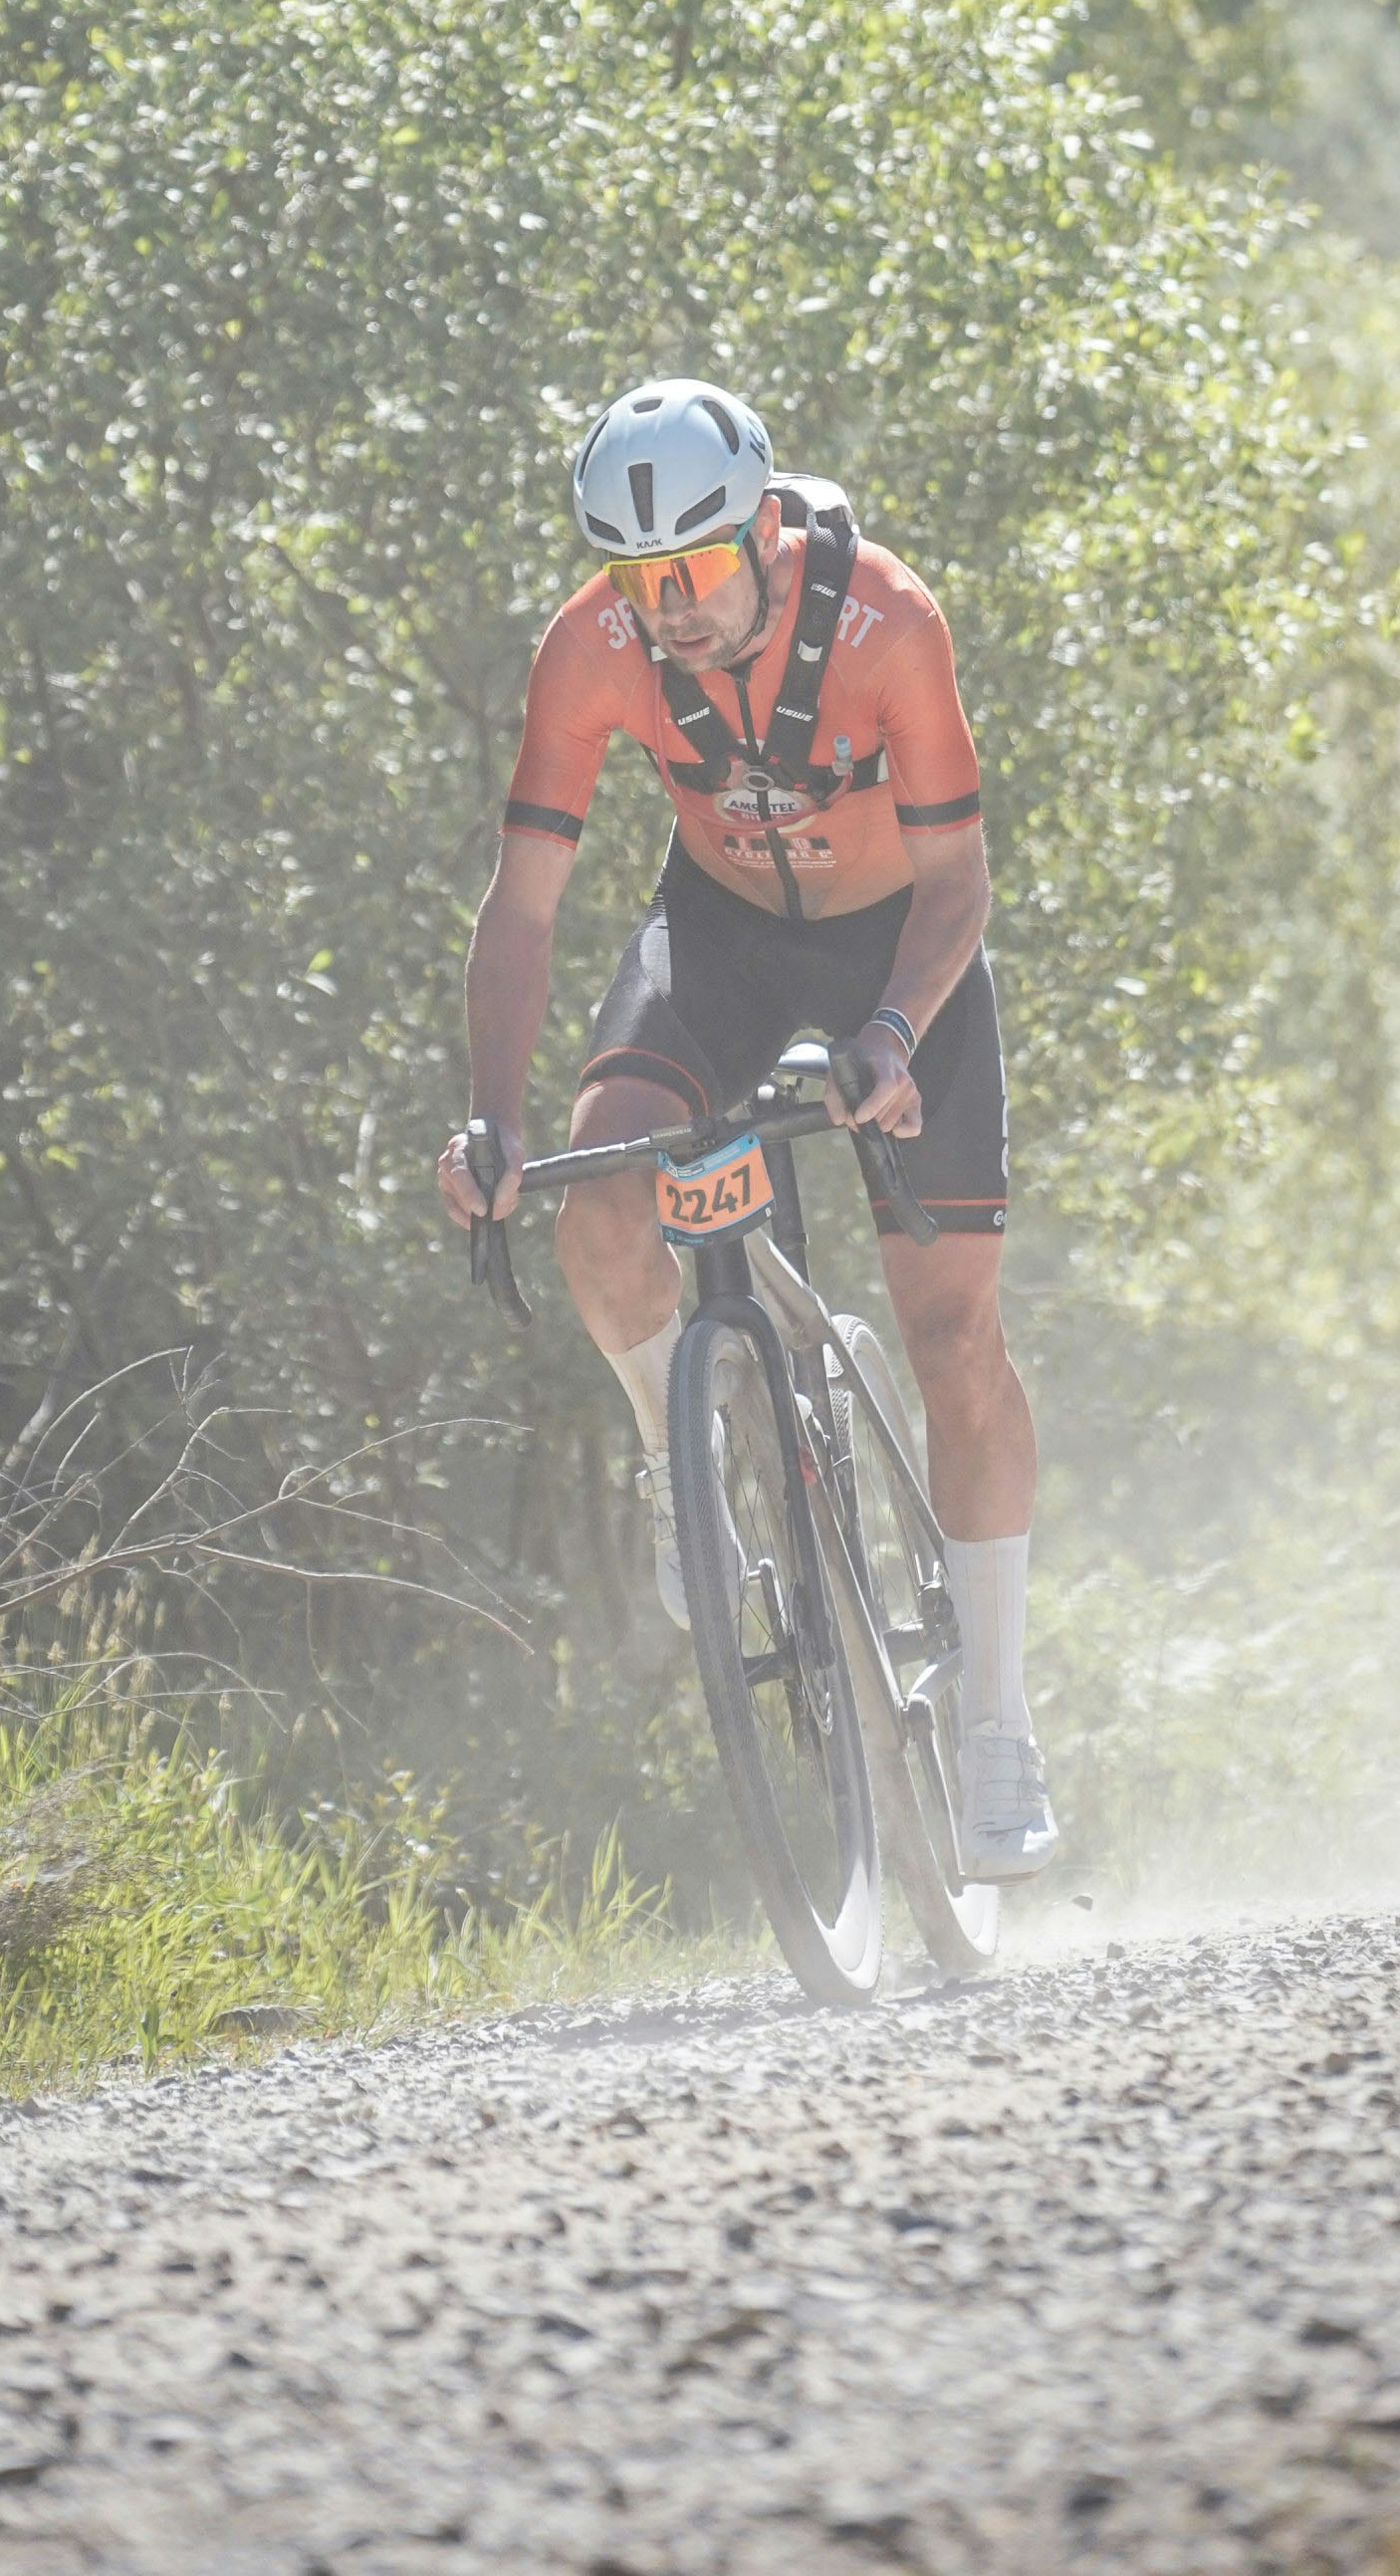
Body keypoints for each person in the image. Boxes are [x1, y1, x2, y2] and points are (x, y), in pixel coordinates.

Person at [436, 375, 1057, 1879]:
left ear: (764, 529)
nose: (675, 610)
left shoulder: (886, 624)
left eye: (699, 571)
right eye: (642, 580)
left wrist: (898, 1036)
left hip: (896, 950)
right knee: (601, 1198)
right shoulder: (588, 651)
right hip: (716, 936)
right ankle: (681, 1457)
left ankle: (997, 1721)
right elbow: (524, 908)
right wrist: (490, 1123)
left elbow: (961, 884)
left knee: (953, 1336)